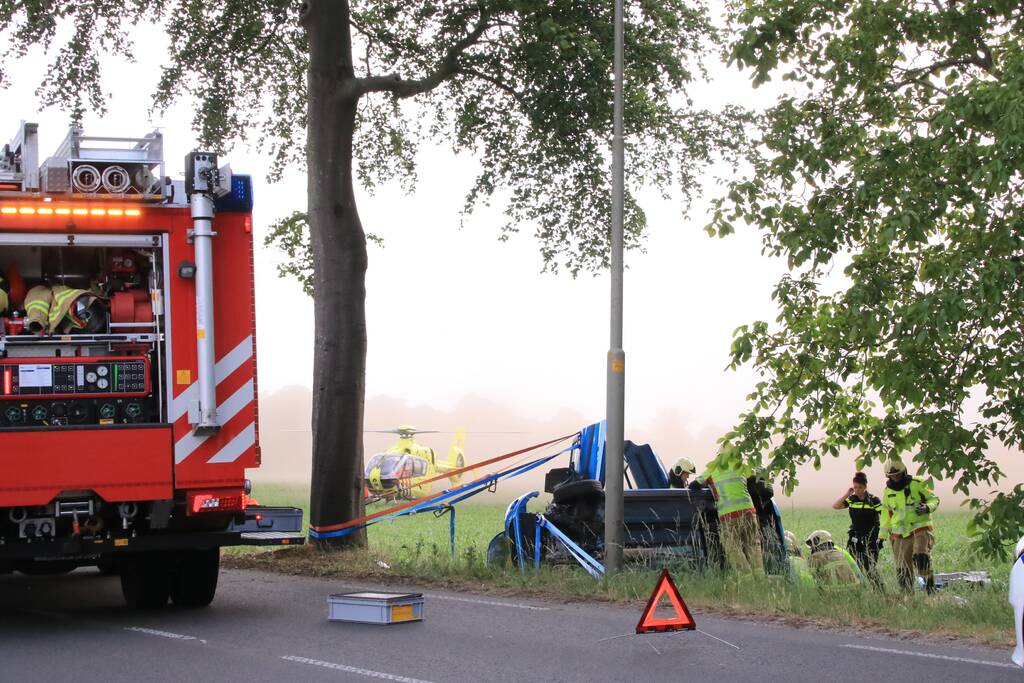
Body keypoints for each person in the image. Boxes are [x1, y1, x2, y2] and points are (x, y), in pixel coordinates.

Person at [691, 458, 764, 576]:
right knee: (753, 544)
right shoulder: (741, 463)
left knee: (733, 547)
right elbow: (755, 477)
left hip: (729, 515)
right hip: (749, 512)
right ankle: (760, 578)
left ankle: (746, 579)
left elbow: (694, 485)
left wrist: (710, 486)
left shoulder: (713, 467)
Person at [880, 458, 939, 592]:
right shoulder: (888, 491)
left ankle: (931, 589)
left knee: (921, 558)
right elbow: (885, 515)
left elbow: (934, 499)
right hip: (899, 534)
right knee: (902, 570)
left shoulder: (918, 483)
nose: (895, 478)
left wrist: (927, 507)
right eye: (891, 476)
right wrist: (881, 537)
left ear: (904, 472)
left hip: (920, 529)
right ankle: (907, 596)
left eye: (897, 474)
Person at [832, 471, 883, 587]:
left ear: (865, 487)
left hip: (871, 537)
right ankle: (859, 589)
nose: (857, 490)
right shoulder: (852, 499)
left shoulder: (874, 500)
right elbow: (835, 506)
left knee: (869, 567)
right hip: (855, 537)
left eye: (860, 487)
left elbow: (884, 516)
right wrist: (847, 494)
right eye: (855, 487)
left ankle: (880, 591)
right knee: (854, 566)